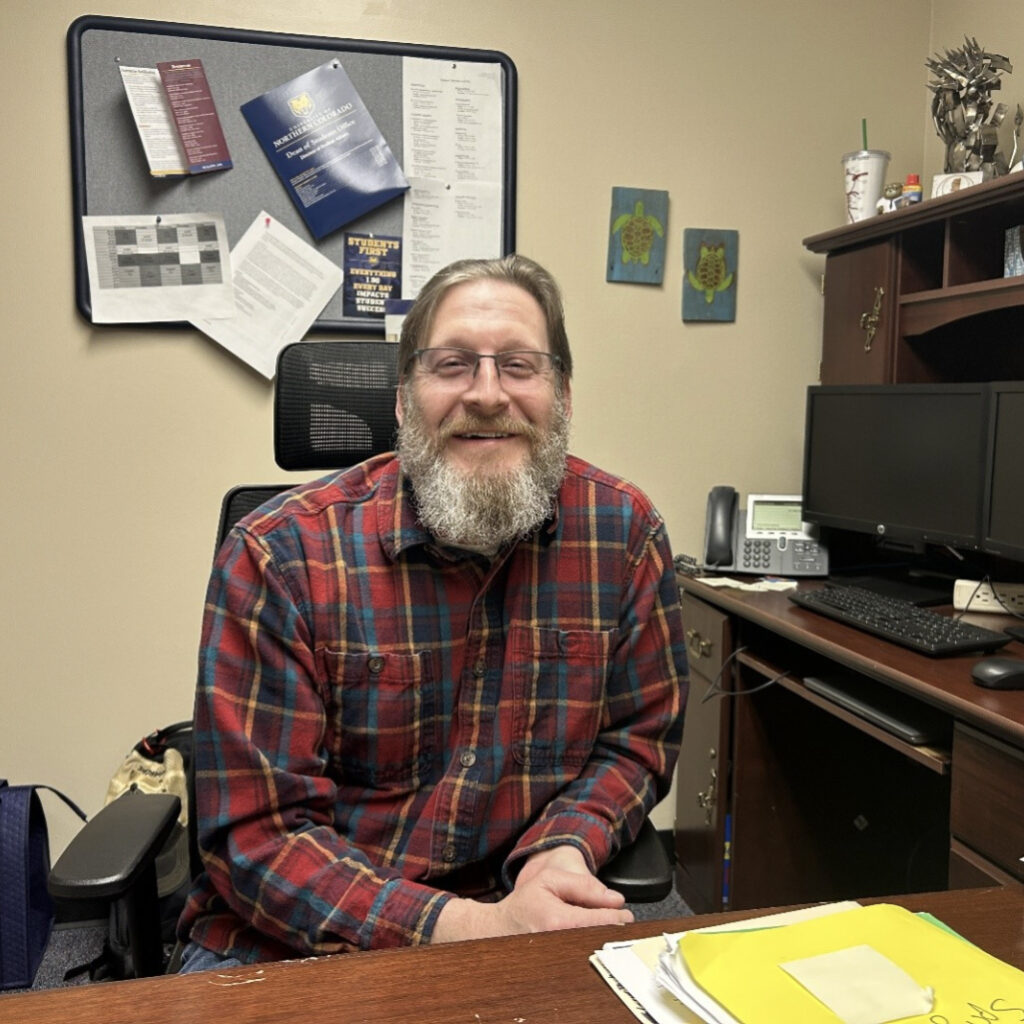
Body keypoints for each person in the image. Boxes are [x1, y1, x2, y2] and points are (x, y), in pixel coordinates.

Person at [176, 254, 688, 970]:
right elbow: (258, 838)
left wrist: (565, 846)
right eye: (451, 365)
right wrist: (466, 928)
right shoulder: (278, 555)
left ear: (563, 396)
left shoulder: (625, 535)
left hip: (526, 911)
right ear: (402, 400)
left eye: (519, 366)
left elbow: (637, 738)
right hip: (296, 939)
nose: (486, 394)